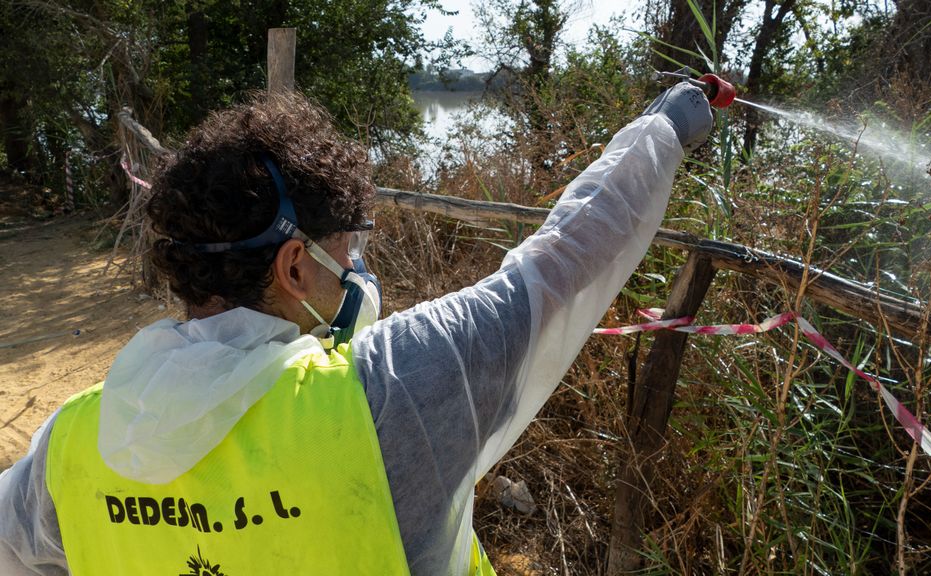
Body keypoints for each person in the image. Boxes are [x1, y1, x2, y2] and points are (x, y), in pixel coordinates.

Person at [0, 82, 713, 575]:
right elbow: (564, 262)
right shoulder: (392, 391)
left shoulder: (72, 444)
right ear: (292, 267)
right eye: (346, 253)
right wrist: (663, 129)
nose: (357, 274)